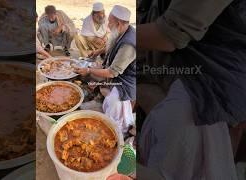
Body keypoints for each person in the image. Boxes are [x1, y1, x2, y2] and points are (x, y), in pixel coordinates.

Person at [138, 0, 246, 179]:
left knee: (180, 121)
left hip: (215, 76)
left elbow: (168, 36)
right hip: (166, 67)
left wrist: (120, 37)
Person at [75, 5, 136, 134]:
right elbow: (112, 45)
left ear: (119, 23)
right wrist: (98, 51)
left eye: (110, 22)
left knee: (113, 103)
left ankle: (115, 129)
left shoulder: (128, 44)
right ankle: (99, 96)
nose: (107, 24)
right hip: (114, 73)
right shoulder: (123, 30)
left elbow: (112, 72)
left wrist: (90, 70)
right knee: (88, 74)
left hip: (125, 82)